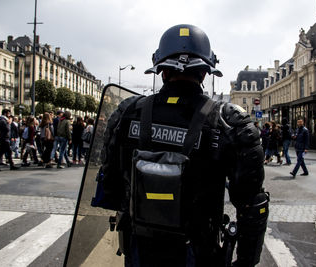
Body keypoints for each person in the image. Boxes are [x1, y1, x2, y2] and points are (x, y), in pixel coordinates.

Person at [98, 24, 268, 267]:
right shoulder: (228, 122)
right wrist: (244, 262)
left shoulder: (128, 112)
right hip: (198, 253)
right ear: (205, 73)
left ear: (161, 70)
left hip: (140, 251)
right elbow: (252, 206)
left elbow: (110, 184)